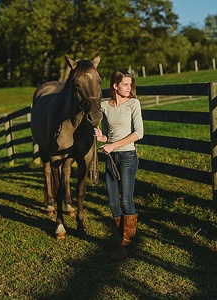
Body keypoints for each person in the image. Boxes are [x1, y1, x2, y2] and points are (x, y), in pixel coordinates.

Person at [94, 69, 144, 261]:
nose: (129, 87)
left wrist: (113, 145)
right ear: (115, 85)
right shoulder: (104, 106)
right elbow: (108, 135)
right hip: (111, 157)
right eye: (125, 84)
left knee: (126, 200)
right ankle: (125, 242)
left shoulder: (133, 103)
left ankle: (127, 246)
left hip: (127, 156)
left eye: (130, 84)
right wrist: (101, 138)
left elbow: (139, 133)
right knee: (113, 202)